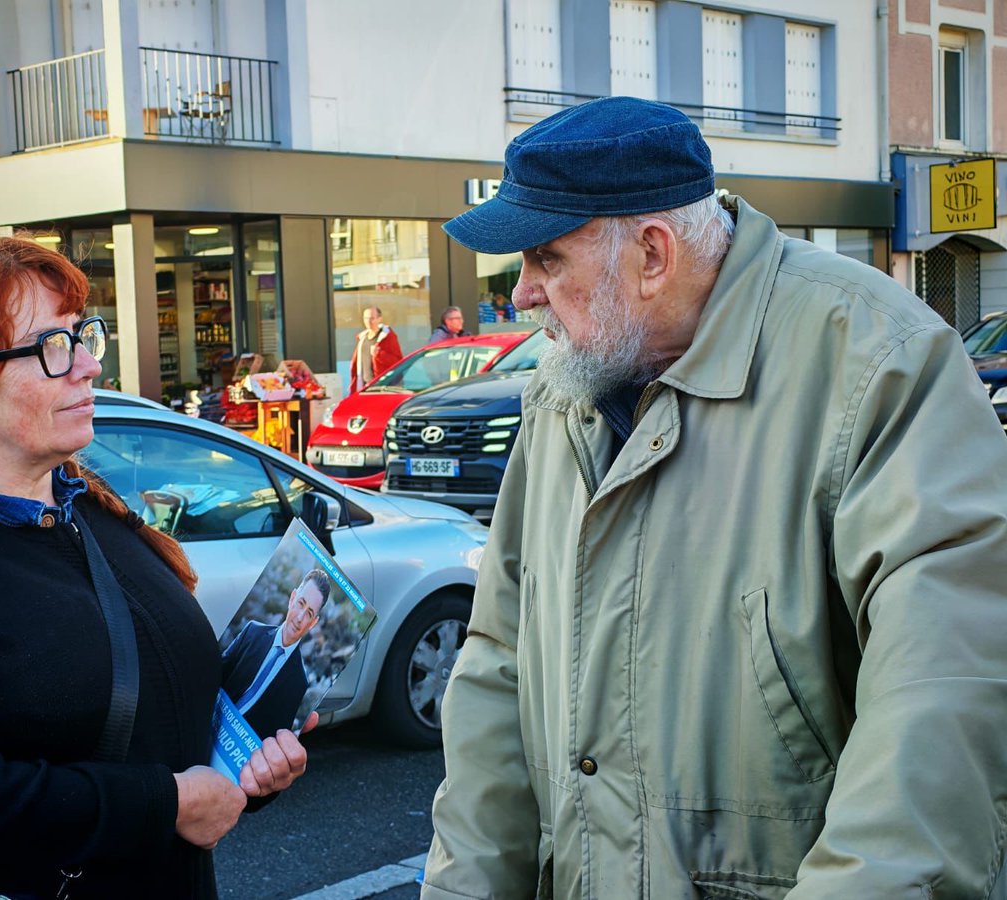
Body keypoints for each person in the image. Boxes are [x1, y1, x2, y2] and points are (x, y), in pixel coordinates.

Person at [423, 97, 1007, 899]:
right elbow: (498, 662)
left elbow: (939, 717)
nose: (522, 292)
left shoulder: (879, 364)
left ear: (653, 255)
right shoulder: (564, 393)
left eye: (547, 258)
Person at [0, 237, 313, 900]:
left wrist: (242, 770)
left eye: (82, 336)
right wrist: (165, 804)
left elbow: (166, 724)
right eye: (49, 348)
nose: (86, 365)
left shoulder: (98, 514)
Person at [221, 569, 330, 740]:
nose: (300, 617)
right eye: (301, 603)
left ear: (313, 623)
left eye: (309, 613)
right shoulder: (252, 632)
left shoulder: (299, 682)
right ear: (292, 599)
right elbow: (215, 676)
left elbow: (273, 738)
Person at [348, 305, 403, 394]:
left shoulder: (388, 337)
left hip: (383, 387)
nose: (368, 321)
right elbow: (356, 365)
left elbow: (398, 362)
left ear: (379, 319)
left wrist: (379, 354)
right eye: (366, 318)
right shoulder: (362, 338)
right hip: (365, 387)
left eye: (372, 318)